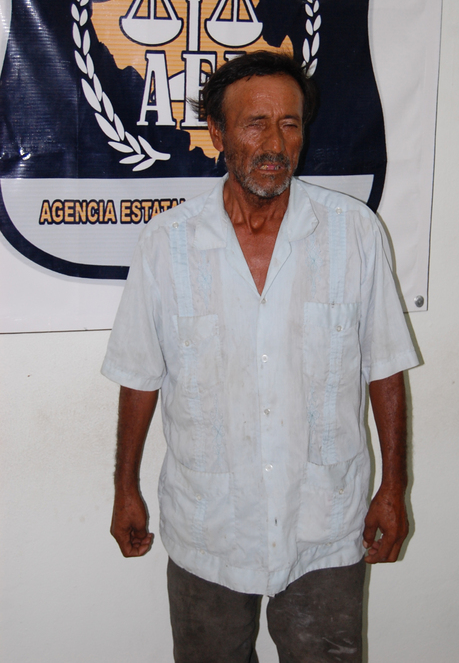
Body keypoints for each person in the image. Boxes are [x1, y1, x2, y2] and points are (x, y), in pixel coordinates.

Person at [102, 50, 418, 663]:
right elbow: (139, 375)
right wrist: (124, 488)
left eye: (289, 124)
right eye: (255, 124)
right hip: (208, 529)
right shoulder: (167, 244)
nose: (275, 144)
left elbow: (384, 366)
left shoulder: (353, 233)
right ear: (217, 134)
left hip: (323, 526)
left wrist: (394, 487)